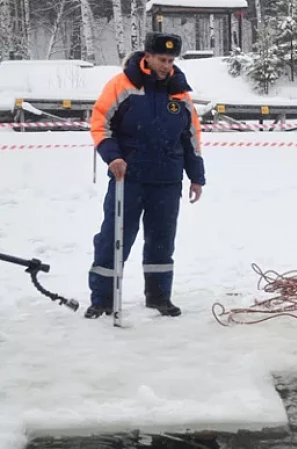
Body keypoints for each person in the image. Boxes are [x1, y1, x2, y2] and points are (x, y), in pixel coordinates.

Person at [85, 32, 205, 319]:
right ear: (147, 57)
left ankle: (159, 296)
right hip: (129, 179)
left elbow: (191, 138)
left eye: (171, 60)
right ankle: (103, 299)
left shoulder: (180, 94)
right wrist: (113, 156)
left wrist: (197, 177)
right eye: (162, 59)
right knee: (114, 238)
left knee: (162, 240)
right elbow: (100, 124)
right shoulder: (121, 85)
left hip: (167, 181)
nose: (167, 65)